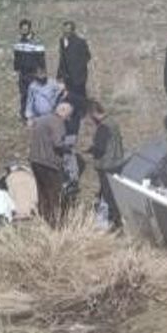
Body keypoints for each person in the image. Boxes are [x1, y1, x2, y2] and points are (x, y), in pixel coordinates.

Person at [28, 101, 72, 226]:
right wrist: (68, 148)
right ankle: (55, 222)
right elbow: (58, 143)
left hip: (35, 160)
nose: (68, 118)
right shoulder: (57, 122)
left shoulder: (41, 119)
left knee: (42, 192)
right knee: (54, 193)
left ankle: (43, 218)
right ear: (63, 112)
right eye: (68, 115)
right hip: (49, 163)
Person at [86, 101, 125, 230]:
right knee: (112, 193)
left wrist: (91, 150)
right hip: (117, 162)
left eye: (90, 116)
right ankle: (115, 220)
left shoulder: (103, 127)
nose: (91, 119)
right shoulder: (113, 122)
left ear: (93, 113)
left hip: (106, 165)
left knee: (109, 195)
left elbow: (100, 149)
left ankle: (115, 222)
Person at [13, 19, 47, 120]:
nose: (24, 31)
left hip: (33, 73)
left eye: (26, 29)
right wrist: (16, 70)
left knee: (34, 95)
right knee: (23, 94)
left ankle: (35, 115)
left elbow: (41, 59)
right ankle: (24, 115)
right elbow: (16, 58)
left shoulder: (36, 42)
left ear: (29, 29)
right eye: (22, 29)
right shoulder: (18, 42)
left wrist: (42, 72)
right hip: (22, 73)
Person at [57, 20, 91, 98]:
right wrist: (59, 74)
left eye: (68, 30)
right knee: (68, 98)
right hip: (66, 77)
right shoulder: (62, 41)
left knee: (79, 98)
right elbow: (62, 59)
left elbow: (87, 56)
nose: (66, 32)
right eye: (64, 30)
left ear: (72, 30)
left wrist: (78, 69)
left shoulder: (80, 42)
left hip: (78, 78)